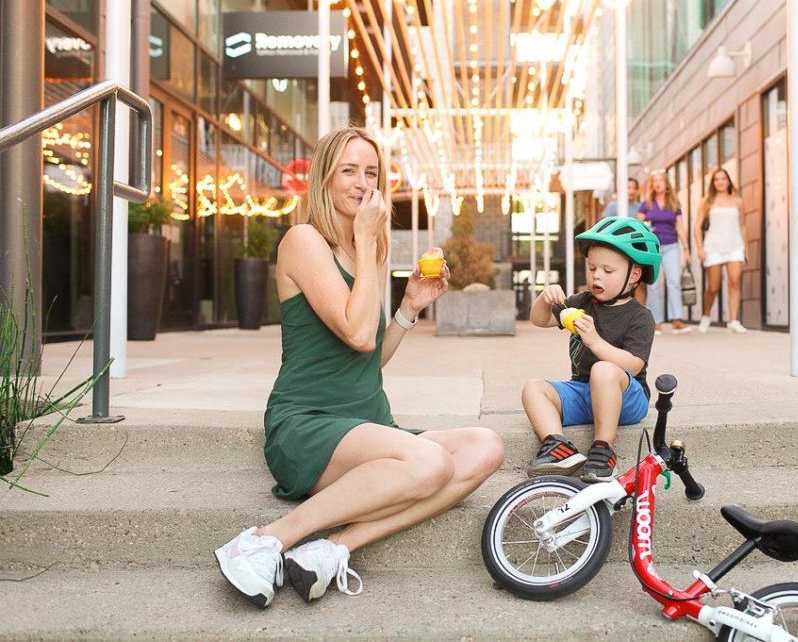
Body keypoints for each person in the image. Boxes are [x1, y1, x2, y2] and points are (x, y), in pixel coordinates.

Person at [215, 127, 505, 608]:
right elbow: (356, 332)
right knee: (431, 462)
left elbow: (367, 356)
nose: (361, 183)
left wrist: (409, 308)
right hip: (308, 424)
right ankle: (264, 540)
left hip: (365, 421)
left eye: (370, 173)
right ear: (325, 179)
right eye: (348, 171)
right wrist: (369, 244)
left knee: (485, 447)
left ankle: (331, 548)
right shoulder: (303, 240)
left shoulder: (365, 251)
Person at [521, 216, 659, 482]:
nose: (597, 276)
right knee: (533, 387)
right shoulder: (583, 302)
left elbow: (632, 364)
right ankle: (557, 446)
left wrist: (595, 342)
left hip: (627, 397)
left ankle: (603, 449)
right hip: (584, 391)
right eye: (592, 267)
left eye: (608, 271)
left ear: (634, 275)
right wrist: (544, 297)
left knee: (604, 370)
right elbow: (540, 320)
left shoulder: (640, 317)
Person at [636, 169, 691, 335]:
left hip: (671, 246)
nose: (658, 184)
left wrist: (686, 248)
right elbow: (637, 224)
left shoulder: (674, 203)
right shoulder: (647, 204)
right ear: (652, 185)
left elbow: (680, 227)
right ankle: (656, 322)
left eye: (661, 180)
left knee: (674, 281)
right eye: (655, 181)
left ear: (666, 183)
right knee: (653, 285)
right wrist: (646, 228)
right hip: (653, 247)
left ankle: (677, 320)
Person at [694, 167, 747, 333]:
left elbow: (743, 226)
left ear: (728, 181)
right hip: (713, 246)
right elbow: (697, 226)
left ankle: (733, 320)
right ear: (713, 183)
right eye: (717, 179)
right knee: (713, 286)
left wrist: (745, 248)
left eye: (723, 178)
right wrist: (700, 247)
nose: (720, 182)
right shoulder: (707, 201)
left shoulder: (738, 201)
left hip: (735, 245)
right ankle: (706, 315)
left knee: (734, 282)